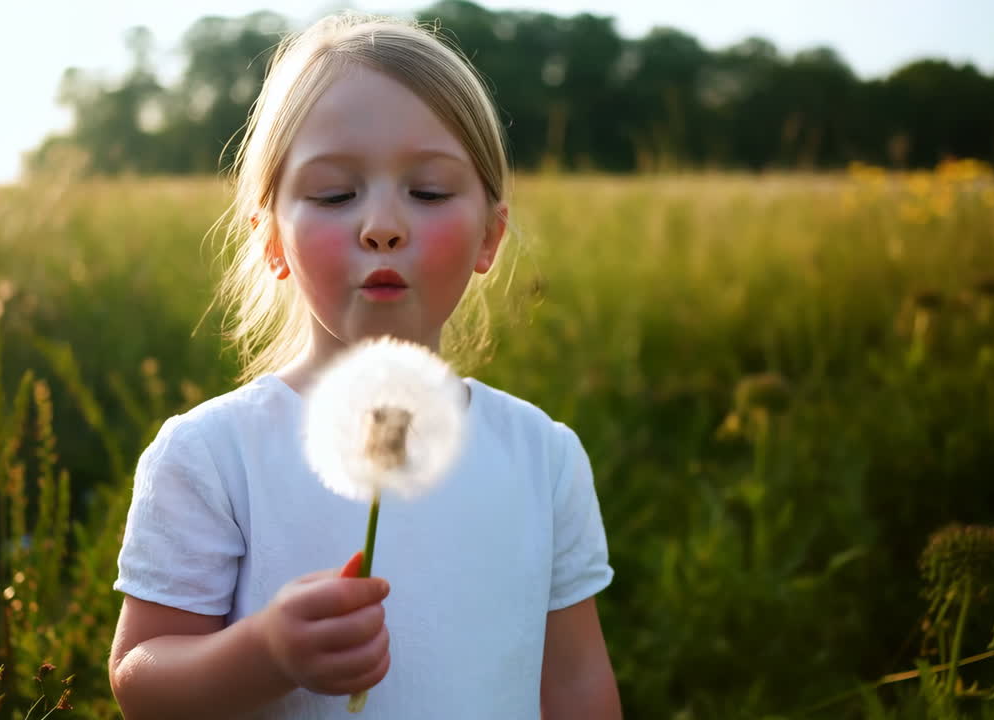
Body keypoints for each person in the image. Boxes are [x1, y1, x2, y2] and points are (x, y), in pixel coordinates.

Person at [108, 11, 619, 719]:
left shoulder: (543, 457)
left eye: (430, 192)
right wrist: (266, 654)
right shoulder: (214, 456)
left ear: (489, 237)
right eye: (334, 194)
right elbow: (141, 681)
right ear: (270, 240)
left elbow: (575, 684)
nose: (382, 225)